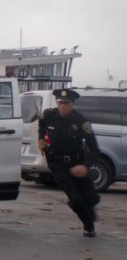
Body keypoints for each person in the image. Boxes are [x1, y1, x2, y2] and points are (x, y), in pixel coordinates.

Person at [39, 89, 101, 237]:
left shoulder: (81, 122)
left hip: (77, 162)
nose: (63, 106)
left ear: (73, 104)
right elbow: (41, 122)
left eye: (66, 103)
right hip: (58, 164)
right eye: (60, 103)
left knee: (91, 198)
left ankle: (88, 206)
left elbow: (94, 149)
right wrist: (41, 138)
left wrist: (85, 166)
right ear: (57, 103)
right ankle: (88, 225)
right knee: (76, 198)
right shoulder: (49, 115)